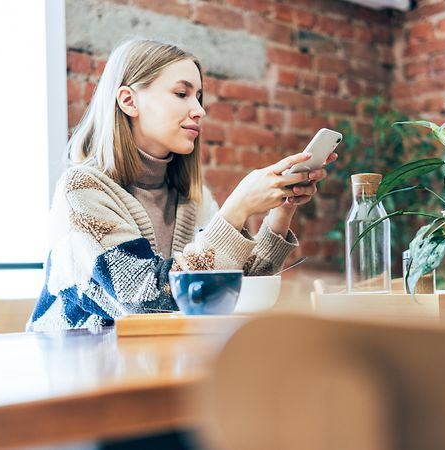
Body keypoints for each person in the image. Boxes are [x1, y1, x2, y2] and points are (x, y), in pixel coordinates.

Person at [28, 38, 336, 331]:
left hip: (152, 364)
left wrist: (281, 213)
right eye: (181, 94)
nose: (199, 110)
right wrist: (236, 209)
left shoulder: (193, 199)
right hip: (77, 371)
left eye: (199, 97)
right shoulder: (82, 191)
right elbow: (143, 301)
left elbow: (232, 288)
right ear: (128, 101)